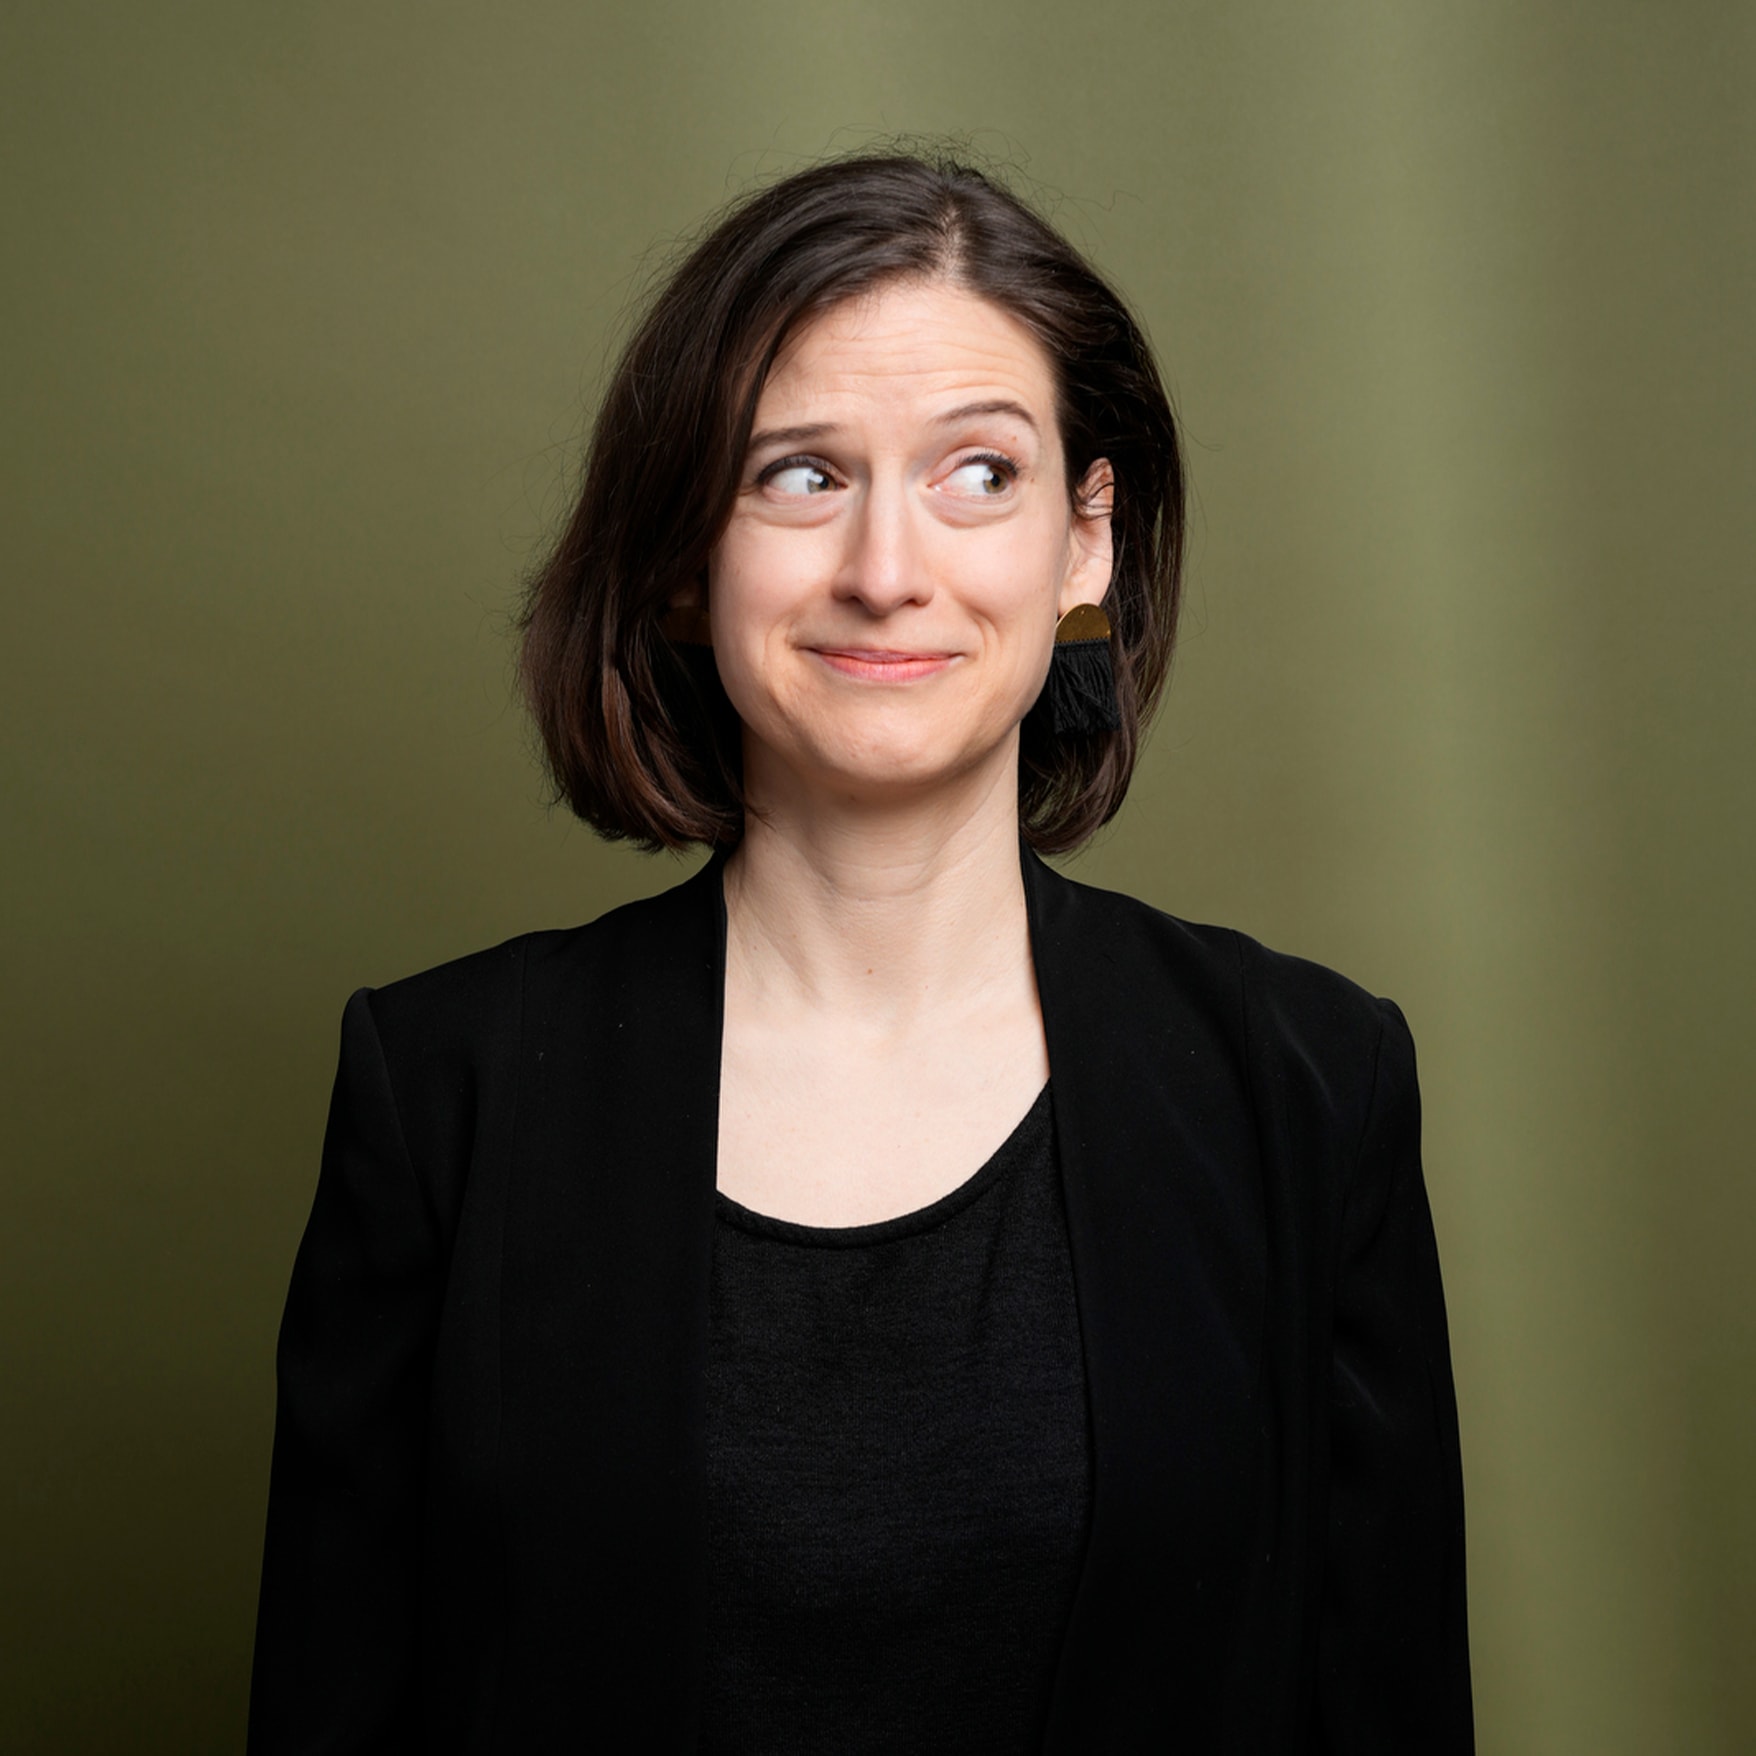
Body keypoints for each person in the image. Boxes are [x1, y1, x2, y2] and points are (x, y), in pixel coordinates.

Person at [247, 150, 1472, 1753]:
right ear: (688, 558)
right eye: (802, 476)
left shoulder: (1311, 1086)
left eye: (980, 474)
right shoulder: (446, 1096)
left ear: (1085, 541)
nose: (888, 569)